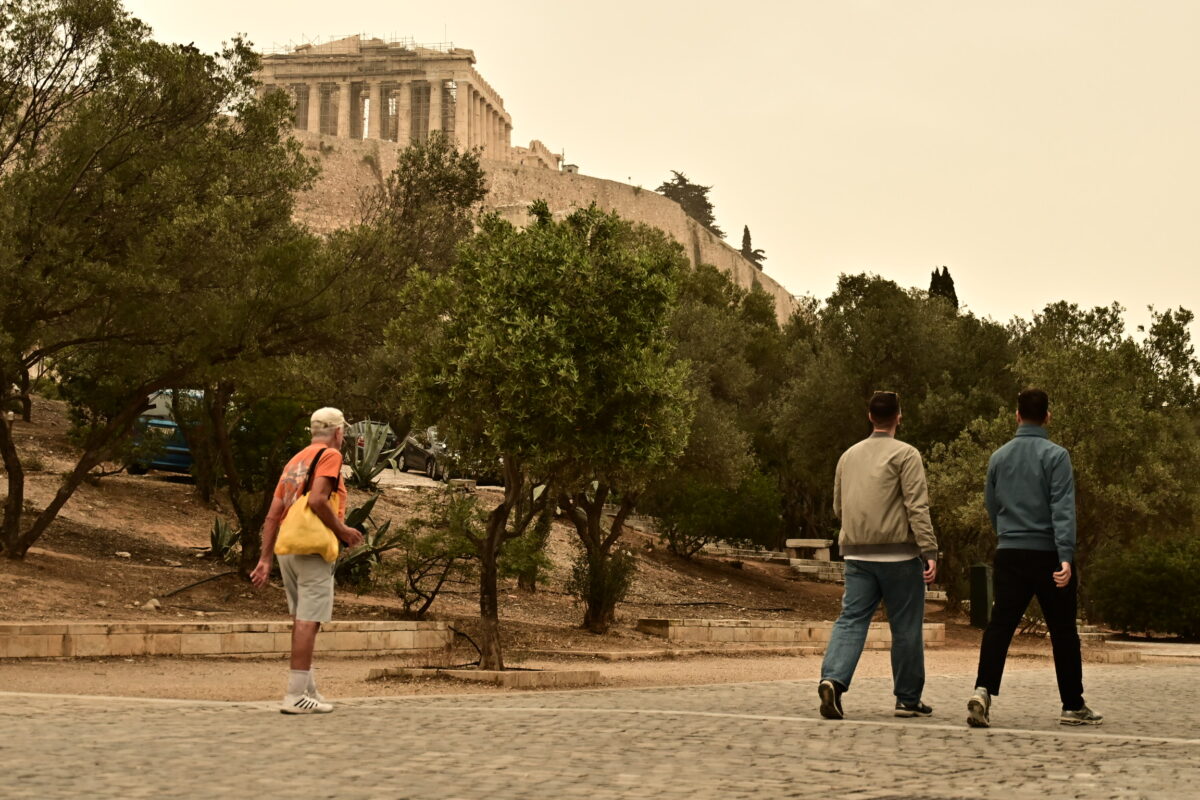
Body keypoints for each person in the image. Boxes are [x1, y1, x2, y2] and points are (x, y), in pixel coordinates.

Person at [967, 389, 1102, 728]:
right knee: (1062, 631)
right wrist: (1066, 555)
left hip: (1010, 551)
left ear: (1016, 415)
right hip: (1049, 554)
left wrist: (1007, 534)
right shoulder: (1056, 456)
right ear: (1048, 417)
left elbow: (991, 503)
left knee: (1000, 626)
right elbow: (1062, 508)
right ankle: (1072, 705)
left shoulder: (999, 457)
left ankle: (983, 690)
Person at [819, 391, 939, 720]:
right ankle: (907, 698)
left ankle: (833, 679)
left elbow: (838, 507)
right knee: (906, 627)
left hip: (857, 555)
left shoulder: (848, 456)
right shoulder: (906, 455)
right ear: (899, 416)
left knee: (851, 620)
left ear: (870, 417)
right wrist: (929, 549)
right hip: (899, 555)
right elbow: (917, 506)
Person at [251, 407, 363, 714]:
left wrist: (265, 558)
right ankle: (294, 695)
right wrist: (342, 530)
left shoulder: (294, 461)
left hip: (288, 547)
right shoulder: (331, 456)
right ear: (339, 432)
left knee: (302, 619)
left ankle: (308, 691)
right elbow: (316, 500)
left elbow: (274, 514)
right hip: (312, 547)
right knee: (308, 619)